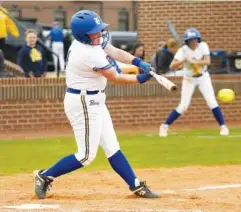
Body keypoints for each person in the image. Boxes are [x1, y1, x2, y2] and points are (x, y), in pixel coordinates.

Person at [33, 10, 159, 199]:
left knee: (112, 146)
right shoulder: (87, 53)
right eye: (95, 31)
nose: (99, 33)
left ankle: (135, 185)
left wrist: (138, 61)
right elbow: (115, 77)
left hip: (96, 99)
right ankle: (44, 176)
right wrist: (140, 78)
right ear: (83, 35)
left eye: (99, 29)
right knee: (85, 156)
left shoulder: (92, 41)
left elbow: (115, 52)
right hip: (82, 102)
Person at [159, 28, 229, 137]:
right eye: (191, 40)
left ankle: (223, 126)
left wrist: (194, 61)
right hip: (189, 79)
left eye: (195, 39)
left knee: (211, 101)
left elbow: (207, 61)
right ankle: (165, 126)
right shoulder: (183, 50)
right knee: (184, 106)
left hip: (203, 77)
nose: (194, 42)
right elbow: (172, 65)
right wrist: (184, 60)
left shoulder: (203, 46)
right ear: (187, 41)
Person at [0, 5, 19, 73]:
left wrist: (15, 32)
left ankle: (1, 70)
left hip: (1, 36)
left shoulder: (3, 11)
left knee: (1, 53)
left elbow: (9, 23)